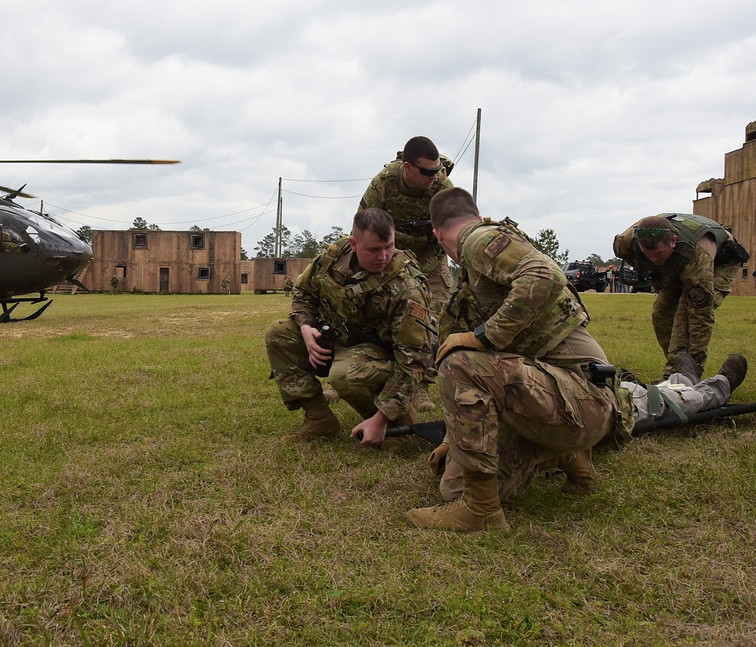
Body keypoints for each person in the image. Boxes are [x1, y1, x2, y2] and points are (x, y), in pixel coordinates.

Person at [405, 187, 624, 534]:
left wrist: (483, 337)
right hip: (563, 403)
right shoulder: (473, 276)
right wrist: (454, 438)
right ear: (475, 214)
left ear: (437, 234)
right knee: (454, 488)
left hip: (584, 400)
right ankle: (563, 454)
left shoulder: (476, 240)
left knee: (458, 360)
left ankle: (481, 513)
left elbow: (543, 275)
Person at [432, 351, 748, 503]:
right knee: (455, 490)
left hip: (590, 405)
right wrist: (452, 439)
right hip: (535, 418)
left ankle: (717, 385)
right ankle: (681, 378)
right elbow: (471, 395)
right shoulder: (477, 354)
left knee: (662, 401)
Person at [265, 208, 434, 444]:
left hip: (384, 358)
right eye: (374, 249)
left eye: (389, 246)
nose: (384, 256)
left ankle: (396, 420)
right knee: (279, 333)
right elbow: (303, 293)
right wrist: (306, 328)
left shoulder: (407, 287)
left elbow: (414, 359)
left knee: (343, 374)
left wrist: (383, 417)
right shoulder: (334, 257)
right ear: (354, 244)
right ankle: (319, 419)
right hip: (340, 338)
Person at [359, 136, 454, 412]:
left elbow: (454, 228)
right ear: (407, 168)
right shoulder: (383, 184)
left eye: (436, 171)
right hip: (392, 257)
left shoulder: (442, 186)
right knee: (376, 314)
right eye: (427, 172)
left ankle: (421, 387)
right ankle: (365, 372)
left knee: (435, 320)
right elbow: (364, 228)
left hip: (431, 257)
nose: (433, 178)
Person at [613, 213, 748, 379]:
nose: (654, 259)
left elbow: (700, 316)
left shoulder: (696, 254)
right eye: (648, 254)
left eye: (658, 253)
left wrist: (695, 367)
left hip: (722, 260)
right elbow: (645, 261)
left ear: (673, 241)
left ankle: (685, 375)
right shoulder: (626, 242)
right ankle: (678, 366)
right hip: (676, 266)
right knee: (661, 314)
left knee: (684, 315)